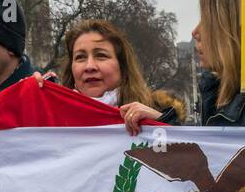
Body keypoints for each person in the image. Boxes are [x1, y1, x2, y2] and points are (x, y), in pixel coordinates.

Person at [45, 17, 181, 135]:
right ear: (71, 68)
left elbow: (186, 159)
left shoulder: (153, 114)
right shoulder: (51, 117)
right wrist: (31, 95)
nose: (90, 66)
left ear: (122, 66)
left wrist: (162, 124)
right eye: (80, 57)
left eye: (101, 56)